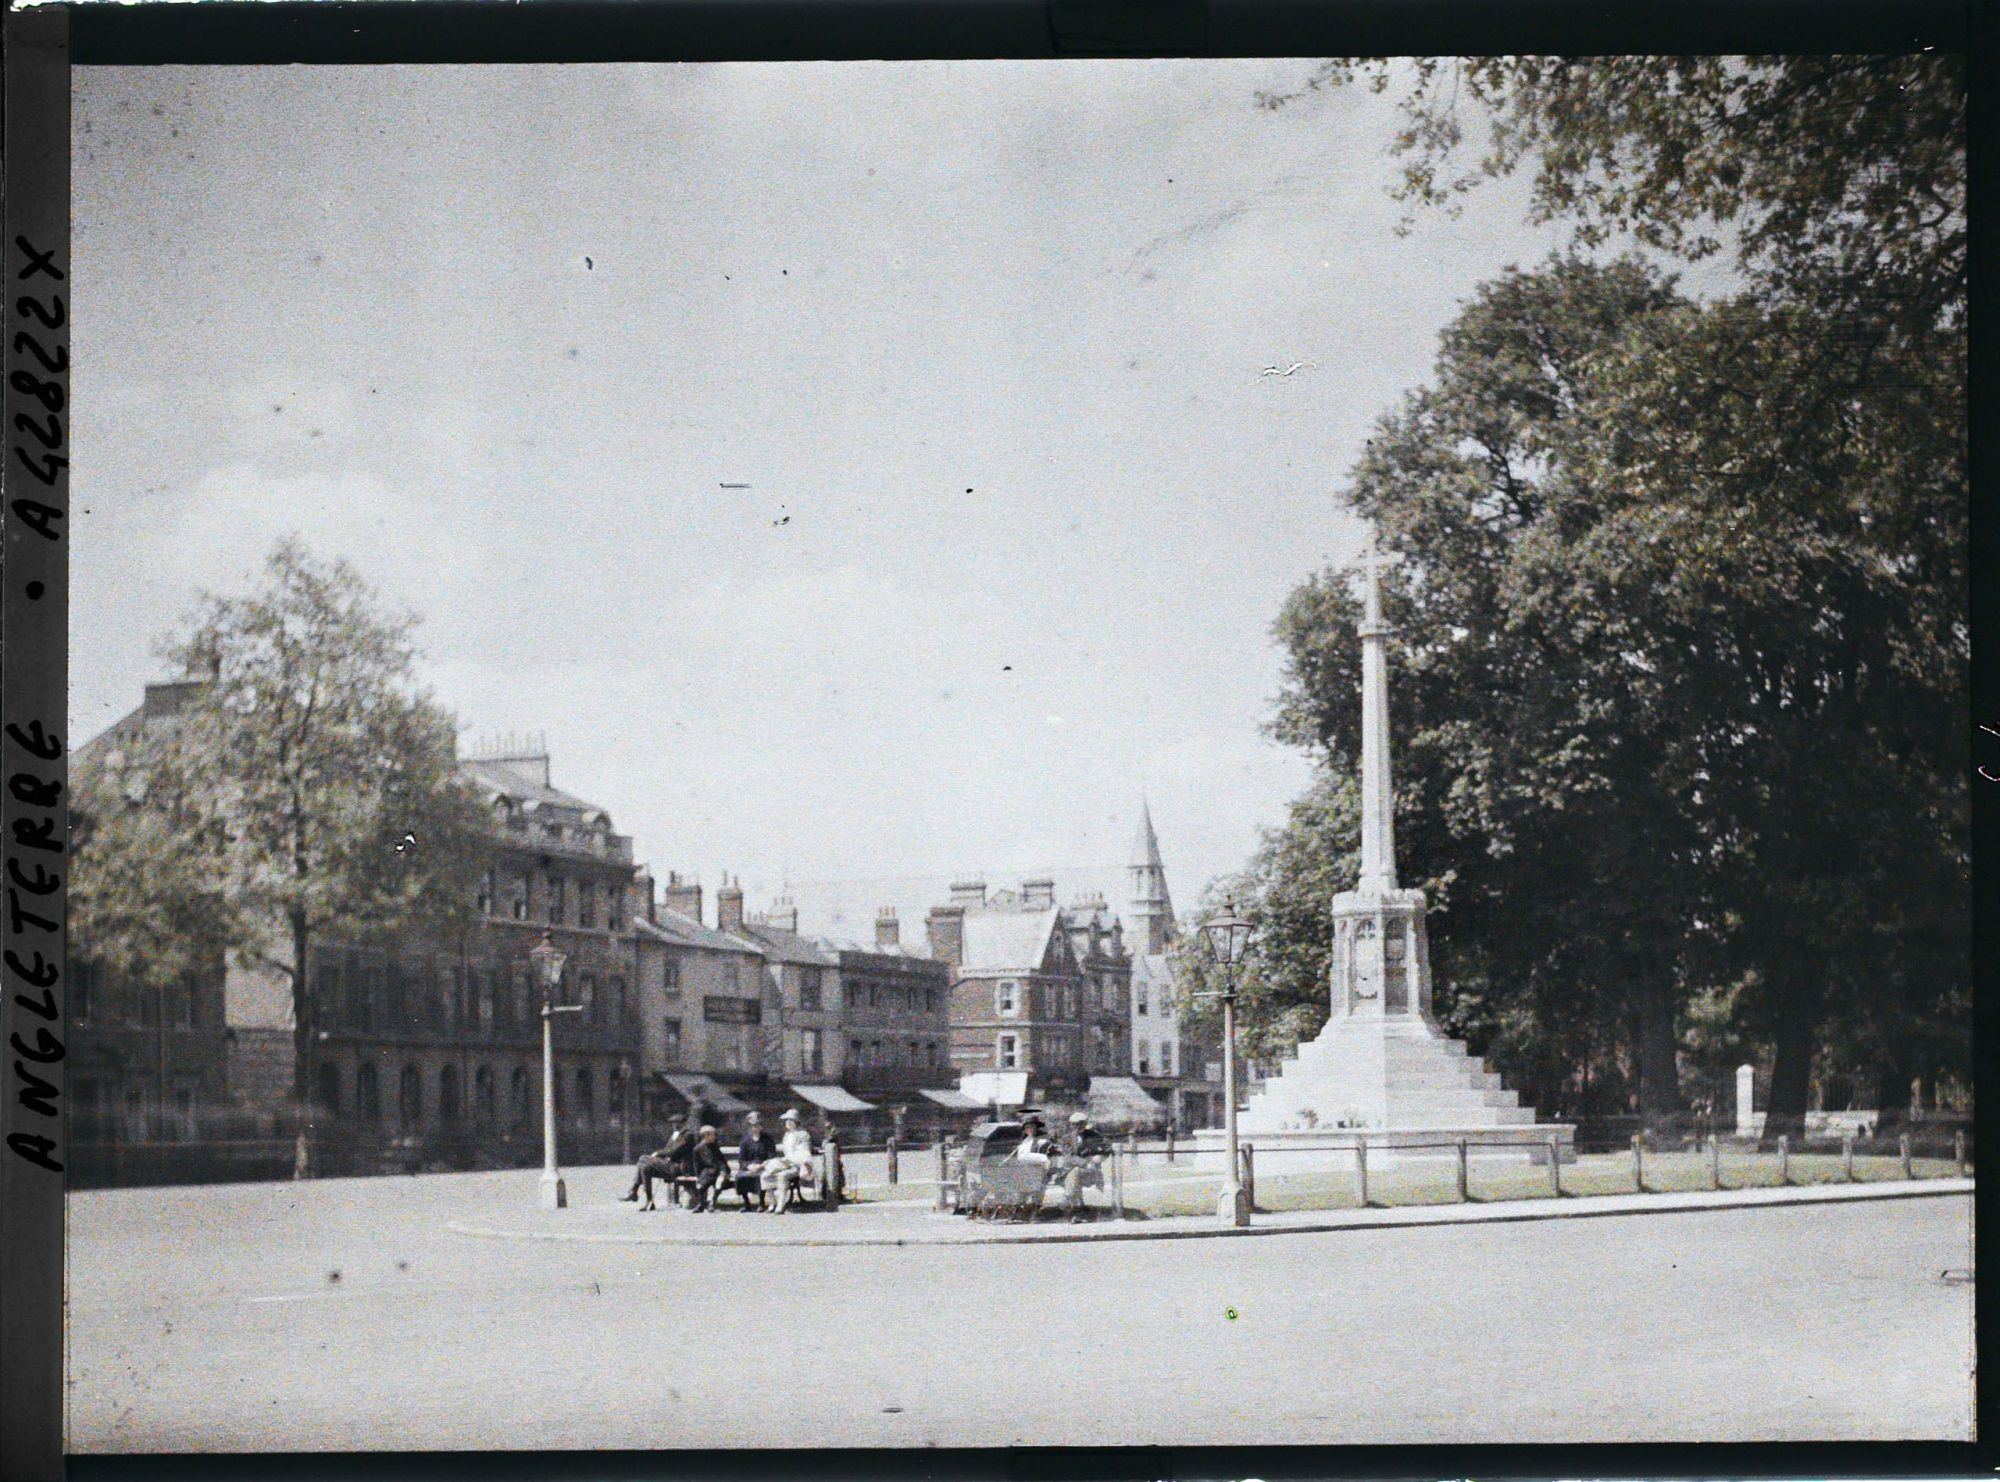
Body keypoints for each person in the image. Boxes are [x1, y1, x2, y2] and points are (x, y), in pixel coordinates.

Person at [622, 1115, 697, 1211]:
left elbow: (673, 1151)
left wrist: (657, 1153)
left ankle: (634, 1192)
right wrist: (661, 1153)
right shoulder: (676, 1134)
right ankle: (649, 1201)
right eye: (673, 1123)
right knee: (645, 1167)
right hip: (671, 1165)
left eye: (678, 1123)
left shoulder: (687, 1135)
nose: (675, 1125)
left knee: (643, 1159)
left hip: (680, 1167)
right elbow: (667, 1149)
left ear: (684, 1123)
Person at [1058, 1111, 1112, 1223]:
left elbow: (1108, 1147)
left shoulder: (1094, 1135)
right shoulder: (1066, 1138)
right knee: (1075, 1173)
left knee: (1074, 1176)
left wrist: (1100, 1156)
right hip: (1068, 1172)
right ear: (1071, 1125)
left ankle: (1069, 1199)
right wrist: (1085, 1163)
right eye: (1074, 1124)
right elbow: (1069, 1157)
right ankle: (1077, 1210)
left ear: (1085, 1123)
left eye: (1081, 1123)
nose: (1078, 1126)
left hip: (1090, 1173)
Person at [762, 1108, 816, 1213]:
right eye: (787, 1120)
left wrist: (793, 1161)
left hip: (798, 1166)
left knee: (782, 1176)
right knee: (765, 1175)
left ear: (796, 1122)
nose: (788, 1123)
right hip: (786, 1163)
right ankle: (773, 1203)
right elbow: (787, 1153)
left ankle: (781, 1206)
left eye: (791, 1120)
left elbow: (804, 1153)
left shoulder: (803, 1135)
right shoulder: (787, 1135)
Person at [735, 1113, 777, 1212]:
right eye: (753, 1126)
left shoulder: (768, 1139)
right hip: (749, 1167)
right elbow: (741, 1159)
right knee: (740, 1177)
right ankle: (747, 1204)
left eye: (758, 1125)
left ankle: (761, 1203)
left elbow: (772, 1157)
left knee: (760, 1177)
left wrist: (761, 1166)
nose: (756, 1128)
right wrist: (749, 1166)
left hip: (763, 1166)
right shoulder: (745, 1141)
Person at [687, 1125, 731, 1212]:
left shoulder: (715, 1146)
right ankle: (701, 1204)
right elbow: (697, 1164)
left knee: (719, 1183)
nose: (714, 1137)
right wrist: (698, 1176)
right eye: (712, 1135)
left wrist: (724, 1171)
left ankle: (712, 1202)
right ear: (706, 1135)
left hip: (718, 1171)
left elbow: (722, 1161)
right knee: (700, 1185)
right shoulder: (697, 1149)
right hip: (707, 1172)